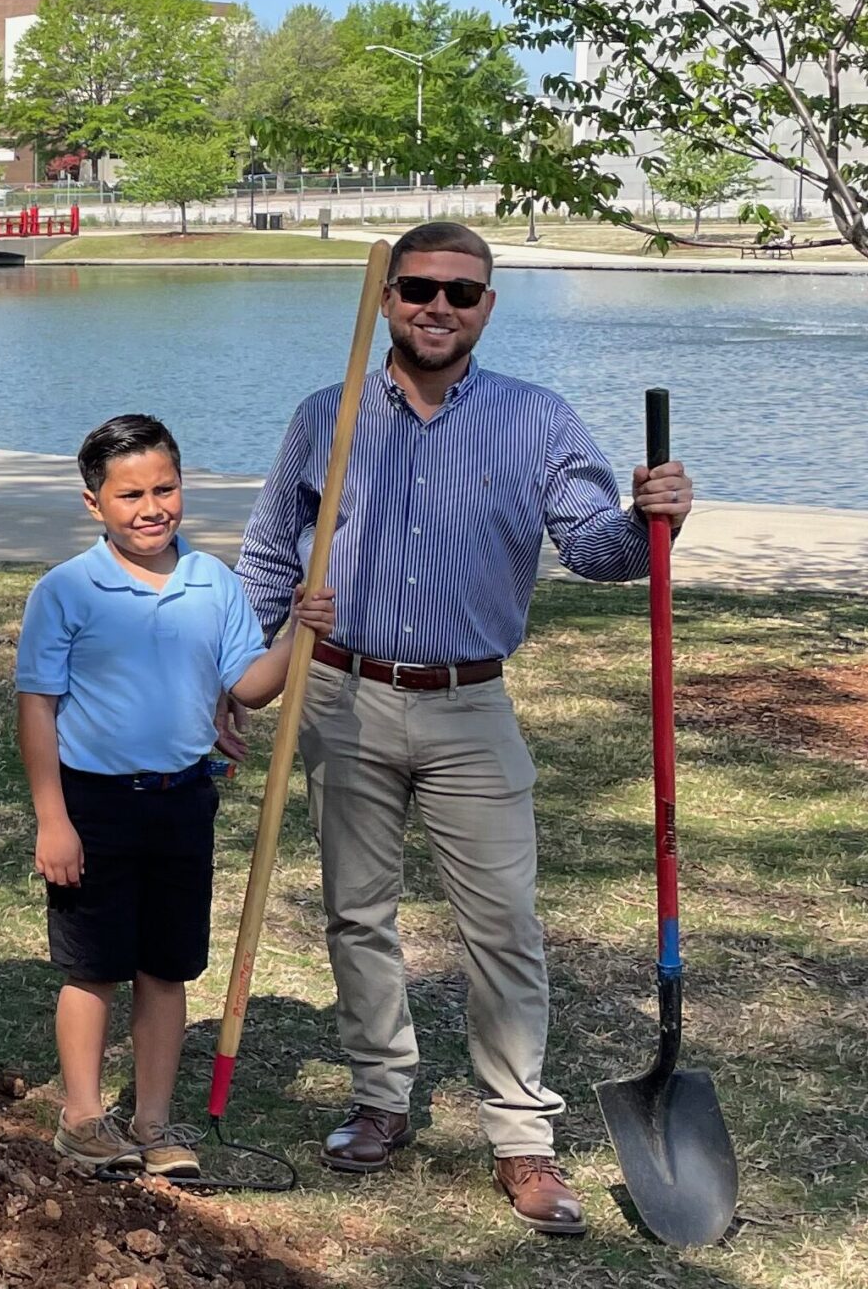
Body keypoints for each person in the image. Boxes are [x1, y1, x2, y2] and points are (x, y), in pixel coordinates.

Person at [235, 220, 694, 1235]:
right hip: (343, 694)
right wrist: (226, 679)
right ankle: (379, 1097)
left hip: (469, 703)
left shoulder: (536, 419)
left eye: (460, 291)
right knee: (357, 912)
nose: (436, 305)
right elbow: (268, 558)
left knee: (502, 926)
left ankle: (521, 1134)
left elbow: (598, 546)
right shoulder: (327, 415)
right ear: (388, 297)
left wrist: (653, 515)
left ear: (487, 306)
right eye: (416, 287)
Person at [14, 415, 332, 1178]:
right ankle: (85, 1118)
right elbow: (37, 709)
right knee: (92, 966)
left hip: (183, 800)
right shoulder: (66, 592)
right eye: (130, 495)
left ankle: (153, 1121)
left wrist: (297, 632)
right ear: (95, 504)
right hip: (94, 804)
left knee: (166, 966)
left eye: (165, 488)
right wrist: (53, 820)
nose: (151, 507)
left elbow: (247, 687)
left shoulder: (212, 583)